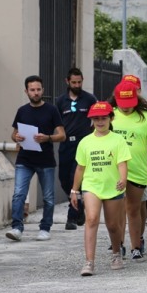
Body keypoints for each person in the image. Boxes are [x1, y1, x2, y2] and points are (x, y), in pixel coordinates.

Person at [70, 101, 130, 276]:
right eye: (96, 119)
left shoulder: (118, 140)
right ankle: (89, 262)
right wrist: (75, 190)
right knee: (92, 219)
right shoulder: (85, 142)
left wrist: (123, 180)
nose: (100, 122)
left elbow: (122, 163)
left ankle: (116, 253)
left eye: (103, 118)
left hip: (113, 187)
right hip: (92, 186)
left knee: (113, 224)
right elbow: (80, 168)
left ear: (110, 119)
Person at [6, 75, 65, 242]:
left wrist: (47, 137)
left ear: (43, 90)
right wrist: (16, 137)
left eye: (38, 89)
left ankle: (45, 228)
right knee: (18, 194)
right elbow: (13, 133)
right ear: (26, 91)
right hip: (25, 159)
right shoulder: (22, 111)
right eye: (32, 90)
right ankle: (17, 227)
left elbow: (62, 135)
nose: (36, 92)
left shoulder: (52, 110)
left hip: (46, 160)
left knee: (48, 197)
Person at [111, 80, 147, 260]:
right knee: (118, 211)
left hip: (138, 170)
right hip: (113, 171)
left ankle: (136, 245)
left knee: (133, 209)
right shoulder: (109, 116)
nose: (126, 108)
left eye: (129, 104)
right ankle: (118, 244)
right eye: (122, 104)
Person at [55, 67, 97, 230]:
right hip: (66, 144)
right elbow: (55, 121)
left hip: (83, 144)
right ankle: (79, 205)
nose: (77, 85)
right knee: (64, 179)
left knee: (75, 179)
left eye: (79, 82)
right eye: (74, 82)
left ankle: (71, 218)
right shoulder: (61, 101)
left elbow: (99, 119)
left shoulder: (89, 99)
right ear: (67, 82)